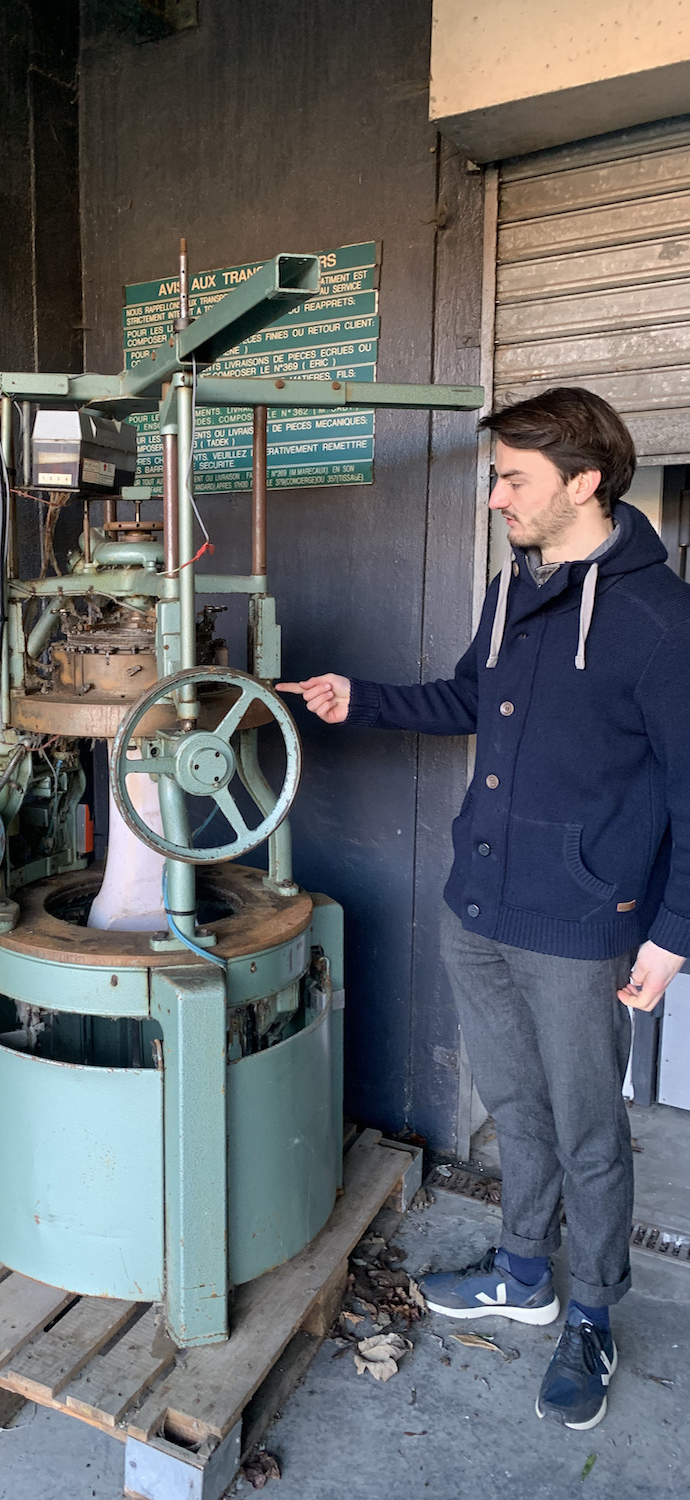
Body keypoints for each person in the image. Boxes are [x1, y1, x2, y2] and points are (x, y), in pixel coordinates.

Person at [278, 386, 690, 1432]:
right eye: (495, 475)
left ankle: (590, 1311)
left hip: (585, 922)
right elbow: (469, 696)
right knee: (514, 1106)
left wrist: (672, 936)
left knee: (590, 1127)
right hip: (480, 903)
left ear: (583, 483)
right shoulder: (516, 589)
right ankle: (523, 1271)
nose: (494, 496)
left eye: (513, 478)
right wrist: (358, 698)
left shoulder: (658, 620)